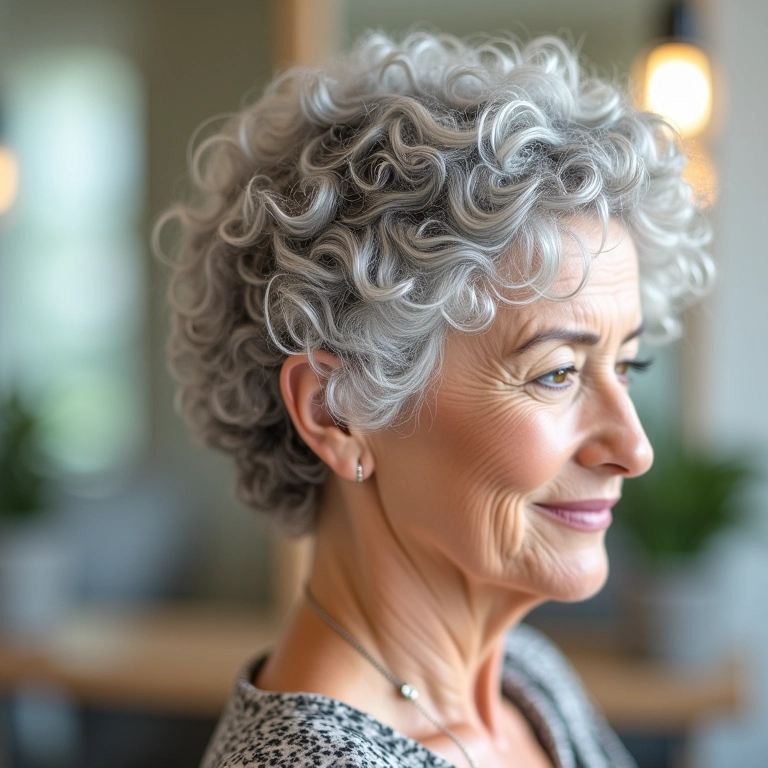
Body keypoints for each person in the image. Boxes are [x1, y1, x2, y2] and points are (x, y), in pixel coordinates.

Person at [153, 29, 712, 768]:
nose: (633, 448)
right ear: (337, 411)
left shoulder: (525, 681)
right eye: (556, 373)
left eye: (627, 364)